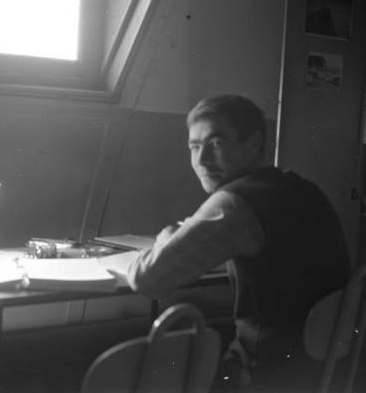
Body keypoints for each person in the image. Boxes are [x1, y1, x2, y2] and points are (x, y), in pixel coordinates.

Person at [126, 94, 351, 391]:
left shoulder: (233, 203)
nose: (202, 160)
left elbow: (148, 279)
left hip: (263, 374)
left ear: (254, 144)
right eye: (194, 147)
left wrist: (167, 237)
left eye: (217, 144)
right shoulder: (301, 188)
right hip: (321, 367)